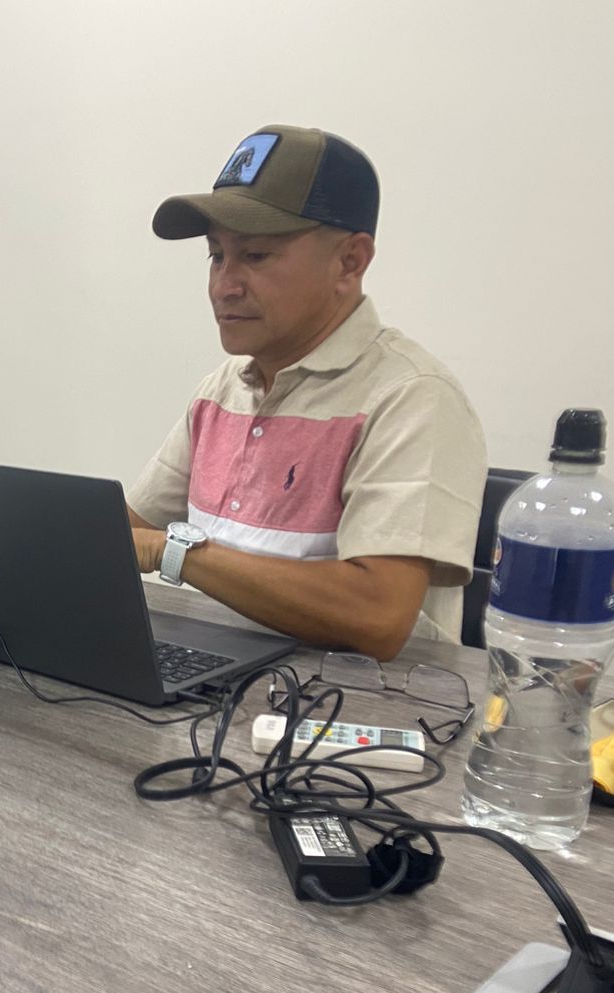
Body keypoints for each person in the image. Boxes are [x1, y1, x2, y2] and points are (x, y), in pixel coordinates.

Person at [126, 125, 486, 661]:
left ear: (350, 261)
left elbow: (379, 616)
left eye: (256, 256)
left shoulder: (413, 398)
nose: (225, 285)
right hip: (213, 679)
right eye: (216, 256)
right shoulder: (221, 391)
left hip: (347, 703)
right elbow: (129, 531)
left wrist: (174, 552)